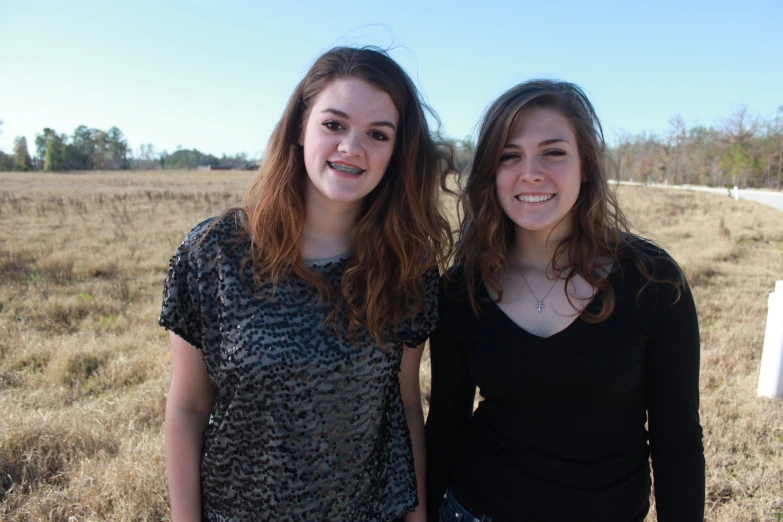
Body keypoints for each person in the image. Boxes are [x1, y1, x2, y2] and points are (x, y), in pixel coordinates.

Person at [160, 46, 454, 522]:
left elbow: (403, 403)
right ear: (300, 128)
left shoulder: (408, 266)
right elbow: (188, 408)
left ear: (398, 152)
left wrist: (416, 517)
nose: (352, 147)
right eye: (334, 124)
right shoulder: (215, 253)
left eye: (377, 134)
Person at [425, 80, 705, 522]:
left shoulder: (653, 281)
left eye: (553, 152)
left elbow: (678, 437)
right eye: (509, 155)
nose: (530, 172)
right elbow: (445, 423)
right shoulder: (463, 290)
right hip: (473, 510)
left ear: (586, 166)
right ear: (490, 174)